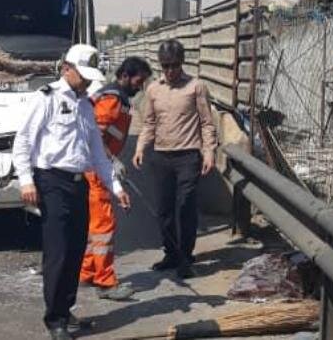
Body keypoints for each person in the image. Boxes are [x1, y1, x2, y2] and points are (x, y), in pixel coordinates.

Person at [12, 43, 132, 340]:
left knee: (77, 250)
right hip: (52, 181)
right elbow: (23, 141)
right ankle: (54, 320)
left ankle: (66, 311)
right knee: (58, 252)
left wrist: (115, 186)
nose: (89, 82)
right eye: (84, 75)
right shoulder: (46, 99)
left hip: (80, 183)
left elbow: (97, 153)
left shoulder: (85, 104)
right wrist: (26, 180)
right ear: (67, 68)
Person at [132, 39, 217, 280]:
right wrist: (140, 148)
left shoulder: (196, 87)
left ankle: (186, 257)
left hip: (188, 156)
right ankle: (171, 253)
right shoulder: (153, 90)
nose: (170, 71)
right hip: (161, 157)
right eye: (166, 66)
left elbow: (206, 122)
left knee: (185, 207)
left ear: (182, 63)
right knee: (164, 210)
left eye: (175, 66)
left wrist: (209, 151)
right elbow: (149, 122)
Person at [80, 56, 152, 301]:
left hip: (96, 168)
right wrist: (112, 159)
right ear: (124, 76)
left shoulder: (116, 98)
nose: (139, 87)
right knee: (104, 226)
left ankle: (88, 272)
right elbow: (94, 137)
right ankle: (105, 282)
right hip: (95, 170)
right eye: (138, 81)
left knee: (96, 227)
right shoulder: (111, 99)